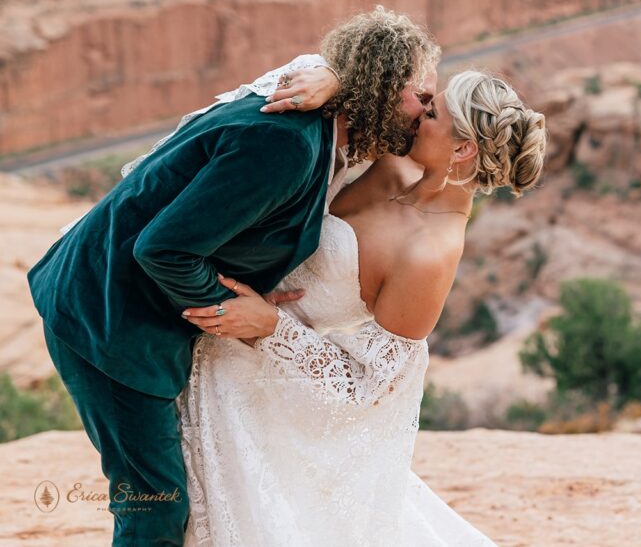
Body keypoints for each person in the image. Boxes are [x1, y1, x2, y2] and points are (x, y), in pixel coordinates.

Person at [27, 6, 440, 546]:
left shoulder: (315, 115)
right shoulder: (286, 144)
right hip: (108, 319)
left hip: (114, 300)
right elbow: (164, 249)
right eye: (421, 95)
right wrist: (229, 315)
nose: (425, 110)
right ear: (381, 86)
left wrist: (339, 76)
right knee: (155, 505)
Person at [177, 71, 547, 545]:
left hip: (250, 386)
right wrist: (334, 78)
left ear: (462, 151)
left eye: (432, 113)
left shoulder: (429, 254)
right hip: (199, 325)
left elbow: (370, 386)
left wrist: (271, 327)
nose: (418, 111)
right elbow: (376, 82)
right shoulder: (392, 157)